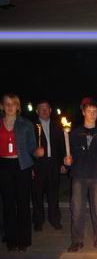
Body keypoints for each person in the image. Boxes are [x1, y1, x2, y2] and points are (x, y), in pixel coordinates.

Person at [64, 97, 97, 252]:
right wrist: (67, 160)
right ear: (83, 112)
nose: (92, 114)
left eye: (95, 111)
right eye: (89, 111)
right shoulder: (75, 133)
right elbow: (69, 156)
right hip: (79, 175)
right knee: (77, 210)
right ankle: (77, 240)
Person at [0, 94, 37, 252]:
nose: (10, 107)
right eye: (7, 104)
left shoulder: (26, 124)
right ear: (1, 106)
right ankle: (11, 239)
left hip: (22, 165)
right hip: (3, 165)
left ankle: (24, 240)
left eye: (13, 104)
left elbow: (31, 147)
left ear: (18, 107)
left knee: (22, 203)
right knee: (7, 204)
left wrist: (37, 153)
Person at [31, 101, 66, 232]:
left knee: (53, 195)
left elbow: (62, 145)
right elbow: (27, 147)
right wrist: (30, 167)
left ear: (51, 110)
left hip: (53, 165)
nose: (44, 111)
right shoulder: (31, 126)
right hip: (38, 165)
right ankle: (38, 221)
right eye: (41, 109)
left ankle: (55, 220)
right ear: (37, 111)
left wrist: (63, 163)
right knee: (37, 196)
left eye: (46, 109)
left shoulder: (57, 125)